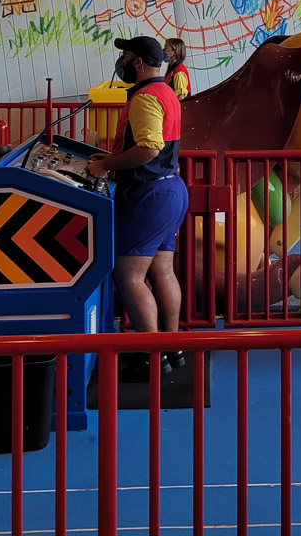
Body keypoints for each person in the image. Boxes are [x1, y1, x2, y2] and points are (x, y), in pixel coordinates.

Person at [84, 37, 189, 379]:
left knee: (128, 275)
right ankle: (172, 348)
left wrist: (105, 165)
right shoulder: (168, 93)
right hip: (172, 189)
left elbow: (148, 148)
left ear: (140, 63)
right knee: (163, 271)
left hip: (149, 196)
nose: (123, 63)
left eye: (126, 57)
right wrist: (112, 160)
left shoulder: (145, 98)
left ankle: (151, 355)